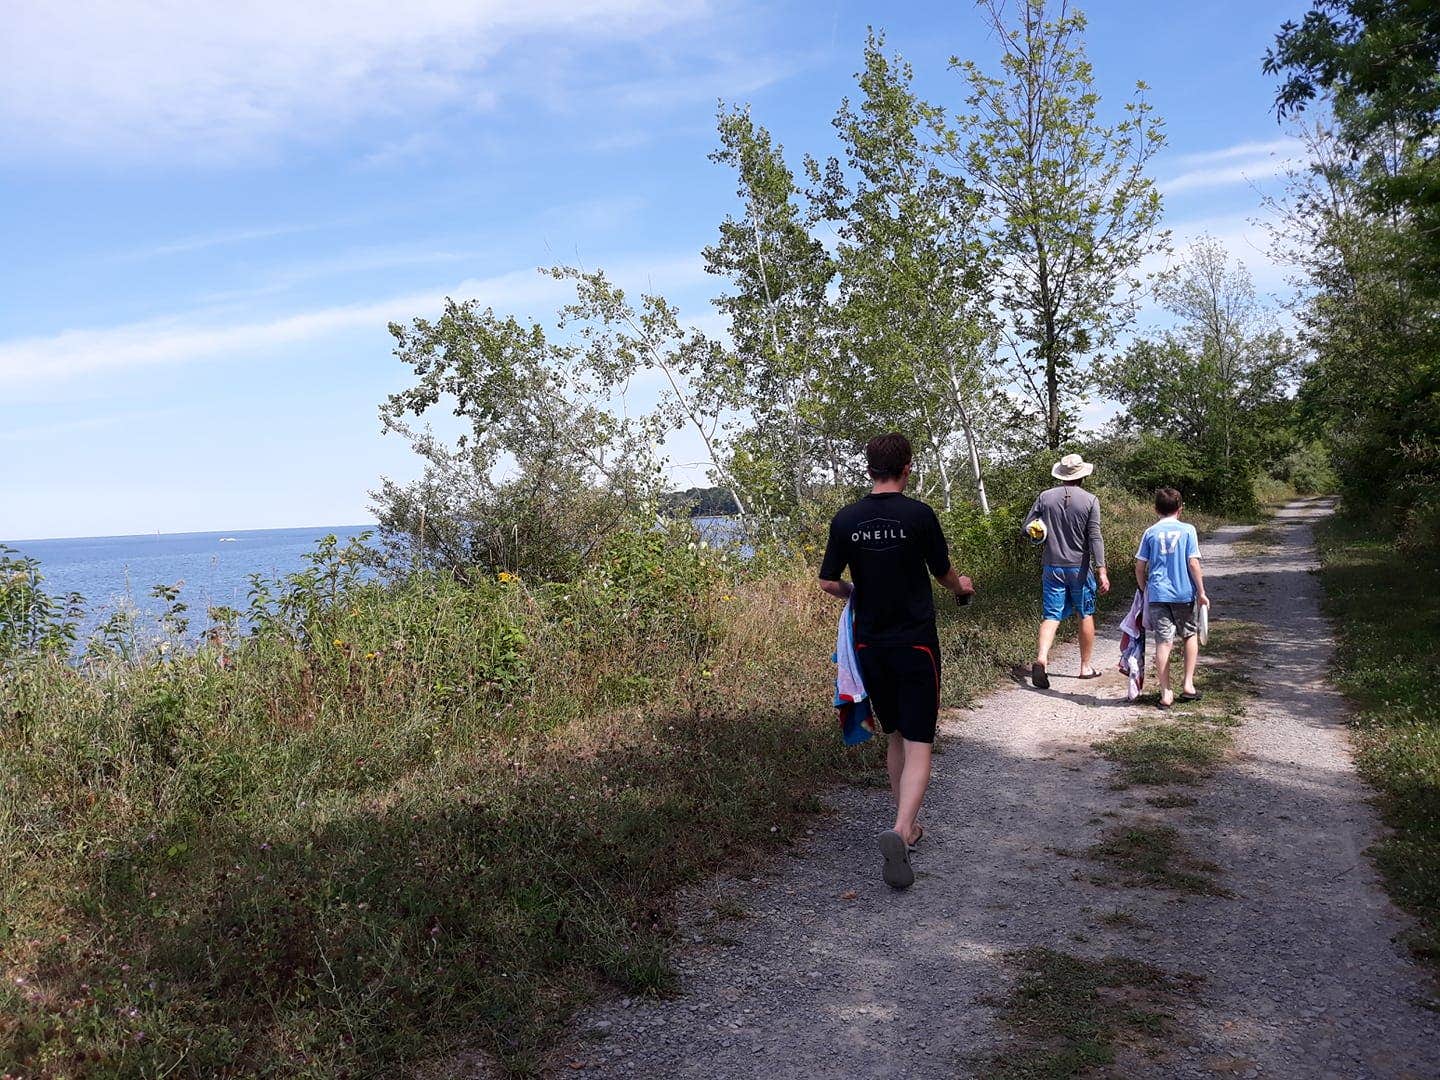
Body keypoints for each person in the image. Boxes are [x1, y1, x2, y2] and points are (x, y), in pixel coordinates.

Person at [819, 433, 975, 889]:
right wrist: (961, 587)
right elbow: (943, 572)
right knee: (921, 738)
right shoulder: (919, 515)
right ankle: (903, 830)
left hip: (869, 646)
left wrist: (857, 592)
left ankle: (905, 823)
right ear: (907, 467)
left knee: (895, 734)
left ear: (870, 468)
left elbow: (829, 582)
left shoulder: (846, 519)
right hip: (916, 644)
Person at [1025, 453, 1111, 689]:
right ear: (1083, 475)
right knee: (1085, 613)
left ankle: (1042, 659)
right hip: (1079, 568)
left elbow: (1027, 528)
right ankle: (1085, 667)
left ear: (1061, 475)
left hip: (1052, 566)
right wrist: (1101, 570)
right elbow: (1095, 537)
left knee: (1051, 615)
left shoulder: (1045, 497)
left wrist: (1040, 530)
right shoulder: (1090, 500)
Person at [1135, 486, 1209, 708]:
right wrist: (1202, 593)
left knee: (1163, 642)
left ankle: (1166, 692)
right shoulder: (1188, 530)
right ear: (1181, 509)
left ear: (1155, 509)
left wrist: (1144, 589)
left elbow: (1140, 566)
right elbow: (1193, 563)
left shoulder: (1150, 532)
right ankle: (1188, 685)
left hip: (1158, 593)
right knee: (1189, 634)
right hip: (1184, 593)